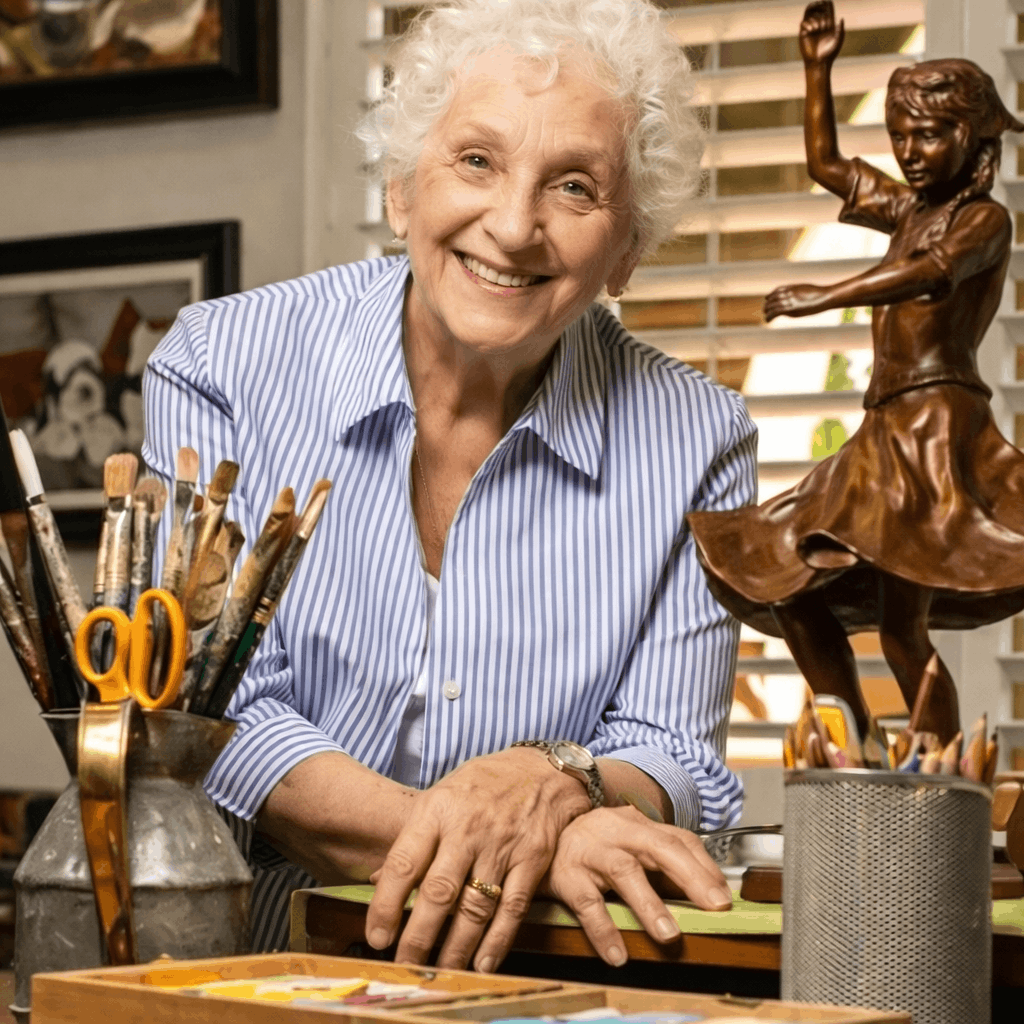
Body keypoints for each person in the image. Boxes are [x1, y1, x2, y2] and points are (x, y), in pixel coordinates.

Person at [143, 0, 757, 973]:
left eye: (574, 186)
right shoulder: (221, 366)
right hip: (254, 979)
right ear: (399, 187)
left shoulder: (701, 439)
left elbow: (675, 756)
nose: (512, 227)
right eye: (476, 160)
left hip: (547, 988)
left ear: (628, 247)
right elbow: (207, 719)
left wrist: (546, 776)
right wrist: (528, 833)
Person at [688, 0, 1024, 745]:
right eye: (900, 135)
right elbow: (828, 166)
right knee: (798, 593)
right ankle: (855, 754)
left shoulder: (982, 221)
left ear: (971, 138)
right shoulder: (909, 207)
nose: (909, 151)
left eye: (930, 135)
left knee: (905, 630)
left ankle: (938, 788)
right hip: (885, 427)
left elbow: (925, 273)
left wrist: (823, 296)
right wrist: (818, 67)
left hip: (935, 429)